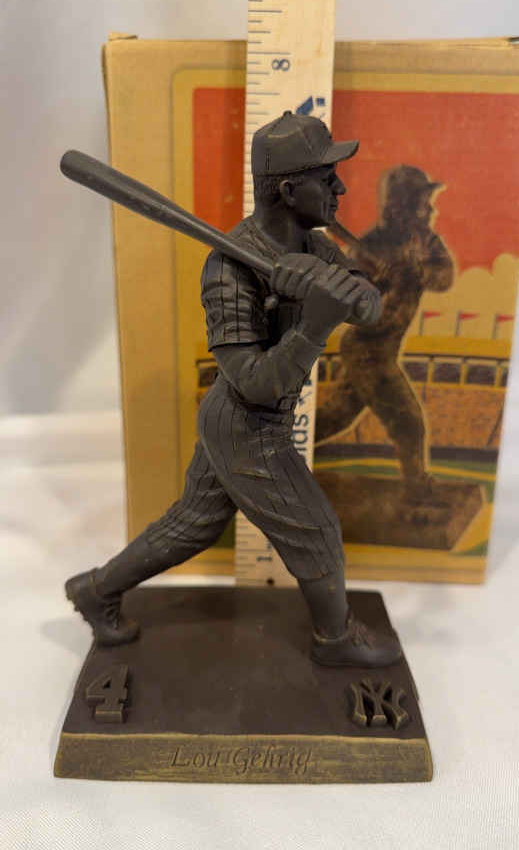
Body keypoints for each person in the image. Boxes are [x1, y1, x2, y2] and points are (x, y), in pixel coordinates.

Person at [66, 111, 401, 668]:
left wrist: (338, 288)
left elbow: (369, 304)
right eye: (326, 177)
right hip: (247, 422)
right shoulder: (228, 270)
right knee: (317, 530)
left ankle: (95, 590)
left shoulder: (315, 246)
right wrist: (314, 323)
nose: (340, 188)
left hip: (244, 419)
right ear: (289, 190)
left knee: (191, 526)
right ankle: (335, 639)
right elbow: (254, 383)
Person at [316, 165, 455, 500]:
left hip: (384, 350)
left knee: (335, 418)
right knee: (409, 421)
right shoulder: (370, 246)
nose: (430, 209)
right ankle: (418, 490)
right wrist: (377, 287)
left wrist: (415, 269)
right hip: (367, 349)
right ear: (402, 206)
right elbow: (348, 307)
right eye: (423, 202)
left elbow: (445, 276)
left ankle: (272, 445)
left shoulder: (425, 240)